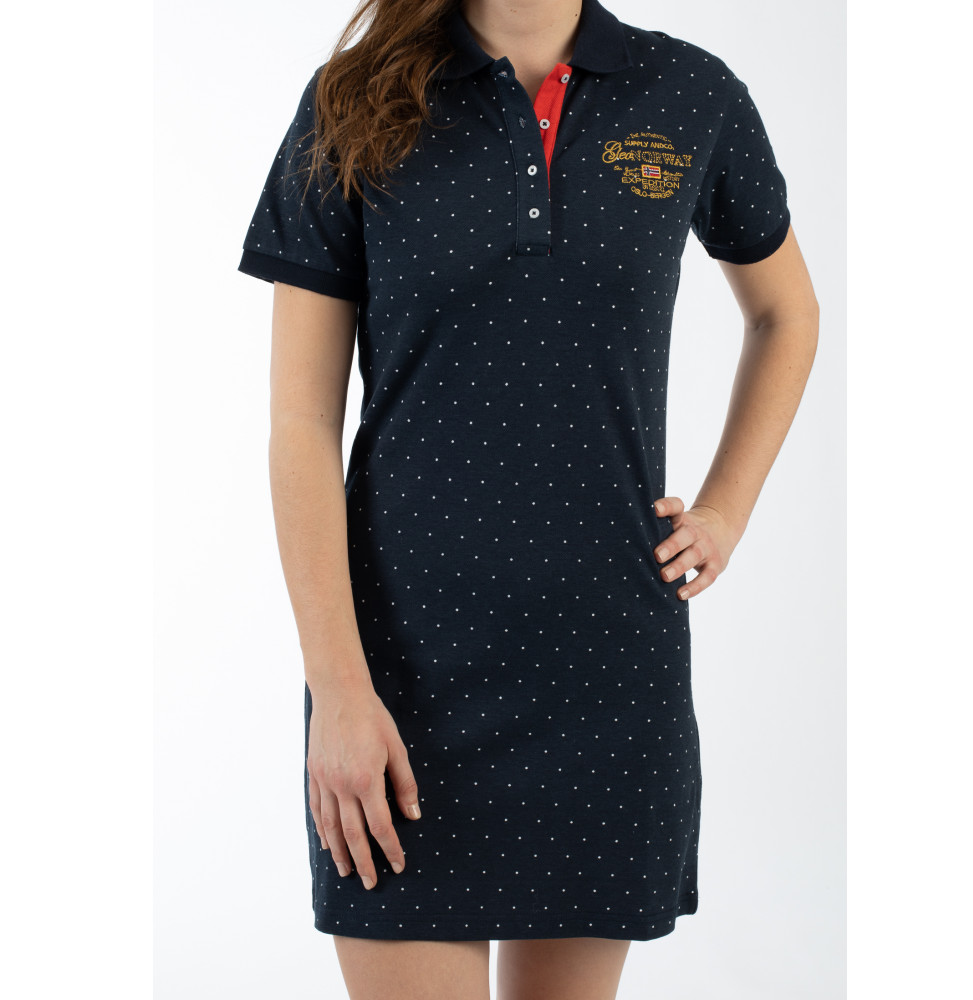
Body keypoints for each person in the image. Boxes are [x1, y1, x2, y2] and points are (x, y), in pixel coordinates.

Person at [237, 0, 819, 996]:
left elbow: (786, 313)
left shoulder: (691, 95)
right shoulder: (350, 102)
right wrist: (336, 690)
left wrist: (726, 508)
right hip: (399, 683)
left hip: (608, 674)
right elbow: (299, 423)